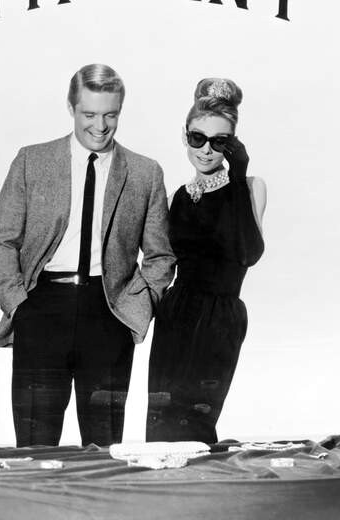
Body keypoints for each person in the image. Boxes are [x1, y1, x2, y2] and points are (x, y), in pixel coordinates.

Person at [0, 63, 175, 447]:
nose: (100, 126)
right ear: (71, 107)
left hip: (108, 315)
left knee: (104, 448)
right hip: (41, 309)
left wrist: (136, 309)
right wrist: (19, 306)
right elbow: (2, 241)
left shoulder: (145, 173)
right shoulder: (31, 161)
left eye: (110, 115)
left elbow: (160, 256)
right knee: (35, 447)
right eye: (89, 114)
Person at [146, 77, 266, 444]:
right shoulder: (177, 198)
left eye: (220, 142)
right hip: (176, 314)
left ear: (232, 145)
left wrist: (238, 176)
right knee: (161, 423)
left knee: (196, 425)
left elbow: (248, 253)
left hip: (220, 318)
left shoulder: (250, 187)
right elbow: (161, 260)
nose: (207, 150)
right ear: (185, 137)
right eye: (198, 138)